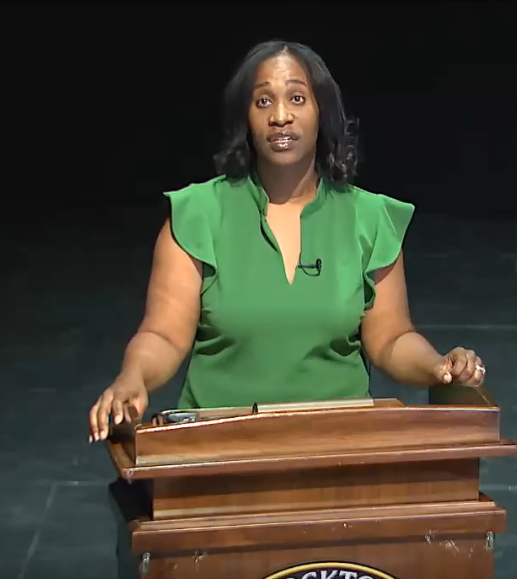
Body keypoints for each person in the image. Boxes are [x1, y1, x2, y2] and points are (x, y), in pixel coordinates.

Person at [88, 40, 486, 443]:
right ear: (246, 117)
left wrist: (439, 366)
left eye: (297, 98)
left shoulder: (369, 218)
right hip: (218, 445)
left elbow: (391, 339)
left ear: (321, 113)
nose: (280, 116)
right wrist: (132, 377)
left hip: (337, 446)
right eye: (263, 102)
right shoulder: (199, 214)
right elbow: (164, 336)